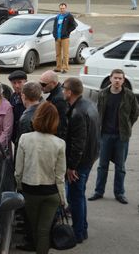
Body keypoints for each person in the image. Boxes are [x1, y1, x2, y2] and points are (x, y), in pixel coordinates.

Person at [15, 101, 66, 254]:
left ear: (36, 118)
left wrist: (19, 188)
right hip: (51, 193)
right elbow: (60, 175)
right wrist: (63, 198)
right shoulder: (59, 143)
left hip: (30, 191)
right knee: (44, 230)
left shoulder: (24, 138)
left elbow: (18, 170)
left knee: (34, 227)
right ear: (55, 120)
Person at [89, 69, 139, 204]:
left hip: (121, 136)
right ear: (110, 79)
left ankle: (119, 193)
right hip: (105, 135)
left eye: (120, 78)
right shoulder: (103, 94)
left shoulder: (129, 95)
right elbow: (98, 112)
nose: (117, 80)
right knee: (102, 165)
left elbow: (135, 113)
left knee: (120, 167)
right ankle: (99, 191)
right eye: (115, 78)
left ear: (123, 80)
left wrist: (127, 125)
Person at [62, 78, 100, 243]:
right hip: (89, 158)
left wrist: (71, 167)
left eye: (64, 89)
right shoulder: (88, 104)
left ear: (70, 92)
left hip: (80, 163)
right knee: (78, 196)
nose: (63, 91)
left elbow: (78, 143)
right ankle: (81, 229)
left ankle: (78, 233)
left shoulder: (77, 112)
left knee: (76, 198)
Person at [39, 70, 68, 140]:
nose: (41, 87)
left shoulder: (58, 100)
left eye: (43, 84)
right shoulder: (56, 94)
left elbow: (61, 125)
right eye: (40, 83)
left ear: (54, 83)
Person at [52, 2, 77, 74]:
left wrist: (67, 32)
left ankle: (65, 68)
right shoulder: (57, 17)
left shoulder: (69, 16)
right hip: (57, 37)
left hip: (65, 38)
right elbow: (54, 26)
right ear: (59, 8)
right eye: (61, 8)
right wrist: (54, 34)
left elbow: (74, 25)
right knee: (58, 53)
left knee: (65, 53)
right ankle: (58, 67)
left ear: (65, 8)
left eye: (63, 8)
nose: (62, 9)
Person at [8, 70, 27, 145]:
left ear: (25, 82)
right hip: (16, 135)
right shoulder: (13, 96)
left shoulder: (31, 97)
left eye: (19, 82)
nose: (17, 86)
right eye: (14, 83)